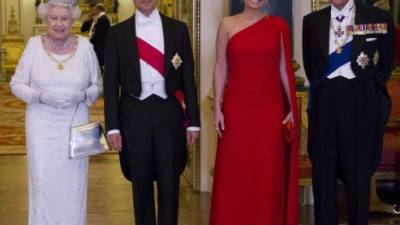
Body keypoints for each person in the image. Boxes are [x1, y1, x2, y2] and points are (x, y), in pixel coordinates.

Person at [103, 0, 200, 225]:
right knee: (141, 184)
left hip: (169, 114)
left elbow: (188, 79)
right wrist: (113, 127)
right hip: (133, 114)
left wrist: (193, 121)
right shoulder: (117, 33)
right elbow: (110, 84)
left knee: (170, 182)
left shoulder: (178, 29)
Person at [302, 0, 395, 224]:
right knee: (323, 174)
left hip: (361, 102)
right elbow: (311, 65)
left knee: (358, 176)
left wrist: (366, 85)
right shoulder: (311, 21)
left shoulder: (377, 17)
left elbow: (387, 61)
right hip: (325, 104)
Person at [9, 0, 101, 224]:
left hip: (78, 123)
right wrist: (39, 96)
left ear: (73, 20)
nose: (59, 24)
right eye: (54, 18)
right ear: (45, 19)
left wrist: (81, 96)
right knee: (43, 183)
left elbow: (98, 85)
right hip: (41, 125)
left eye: (64, 19)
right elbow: (16, 83)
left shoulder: (86, 46)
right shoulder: (33, 45)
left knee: (75, 184)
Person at [209, 0, 299, 225]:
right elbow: (220, 67)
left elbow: (283, 68)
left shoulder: (279, 26)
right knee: (235, 176)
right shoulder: (226, 25)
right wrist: (218, 108)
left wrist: (291, 108)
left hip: (269, 115)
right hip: (236, 114)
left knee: (267, 176)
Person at [81, 3, 110, 70]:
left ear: (97, 10)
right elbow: (83, 29)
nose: (92, 12)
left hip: (99, 50)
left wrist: (87, 43)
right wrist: (88, 18)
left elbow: (96, 35)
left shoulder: (103, 19)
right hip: (91, 48)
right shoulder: (91, 20)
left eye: (93, 10)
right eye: (90, 10)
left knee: (98, 70)